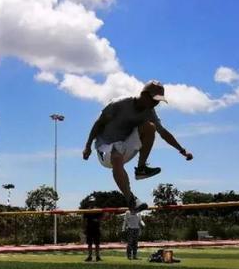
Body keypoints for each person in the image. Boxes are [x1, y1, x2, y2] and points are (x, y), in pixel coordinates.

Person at [82, 80, 193, 211]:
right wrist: (88, 146)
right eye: (154, 100)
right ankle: (131, 199)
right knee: (116, 154)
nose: (156, 104)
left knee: (150, 127)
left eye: (158, 101)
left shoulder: (149, 112)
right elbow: (98, 124)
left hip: (126, 145)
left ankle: (141, 168)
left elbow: (163, 132)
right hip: (105, 147)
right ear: (144, 95)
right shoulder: (119, 104)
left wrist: (182, 150)